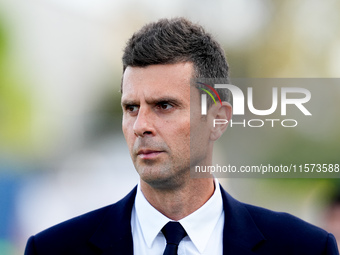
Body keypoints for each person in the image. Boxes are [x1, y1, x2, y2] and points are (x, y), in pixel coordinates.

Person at [24, 17, 339, 255]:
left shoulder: (304, 248)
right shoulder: (54, 249)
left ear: (218, 119)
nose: (140, 125)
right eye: (131, 107)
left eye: (163, 105)